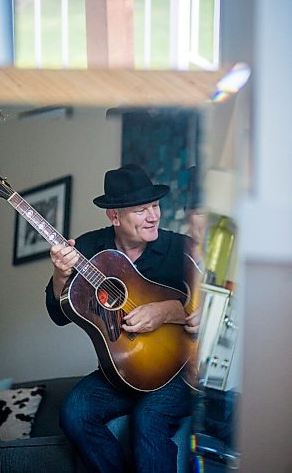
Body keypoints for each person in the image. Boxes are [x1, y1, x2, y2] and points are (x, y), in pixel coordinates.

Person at [45, 164, 201, 473]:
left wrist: (167, 311)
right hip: (121, 373)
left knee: (149, 416)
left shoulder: (178, 248)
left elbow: (206, 307)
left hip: (177, 371)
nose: (154, 215)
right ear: (114, 216)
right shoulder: (89, 249)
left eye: (155, 206)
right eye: (142, 210)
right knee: (74, 411)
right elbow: (57, 315)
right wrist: (60, 275)